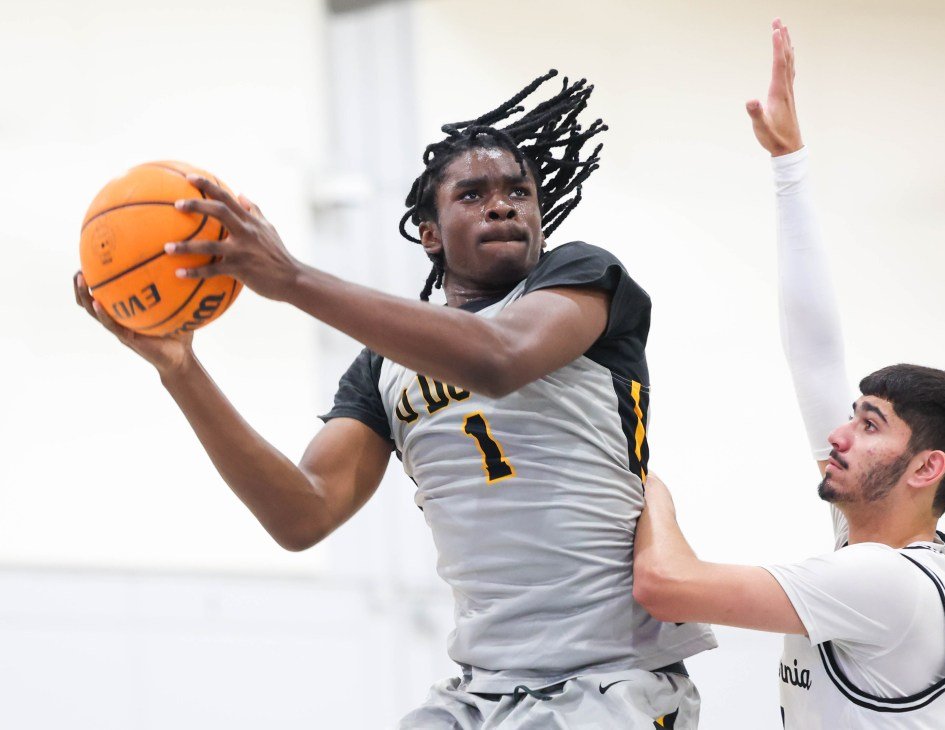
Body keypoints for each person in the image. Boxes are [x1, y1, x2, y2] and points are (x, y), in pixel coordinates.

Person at [74, 72, 714, 728]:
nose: (504, 206)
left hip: (609, 679)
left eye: (519, 192)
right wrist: (180, 370)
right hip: (483, 689)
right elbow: (302, 515)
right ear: (429, 233)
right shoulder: (384, 365)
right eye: (474, 194)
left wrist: (292, 279)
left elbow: (499, 359)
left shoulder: (585, 280)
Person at [632, 19, 945, 729]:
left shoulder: (884, 580)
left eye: (868, 425)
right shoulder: (901, 553)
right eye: (853, 415)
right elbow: (815, 355)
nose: (837, 433)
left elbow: (664, 584)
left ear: (926, 469)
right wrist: (789, 165)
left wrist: (634, 469)